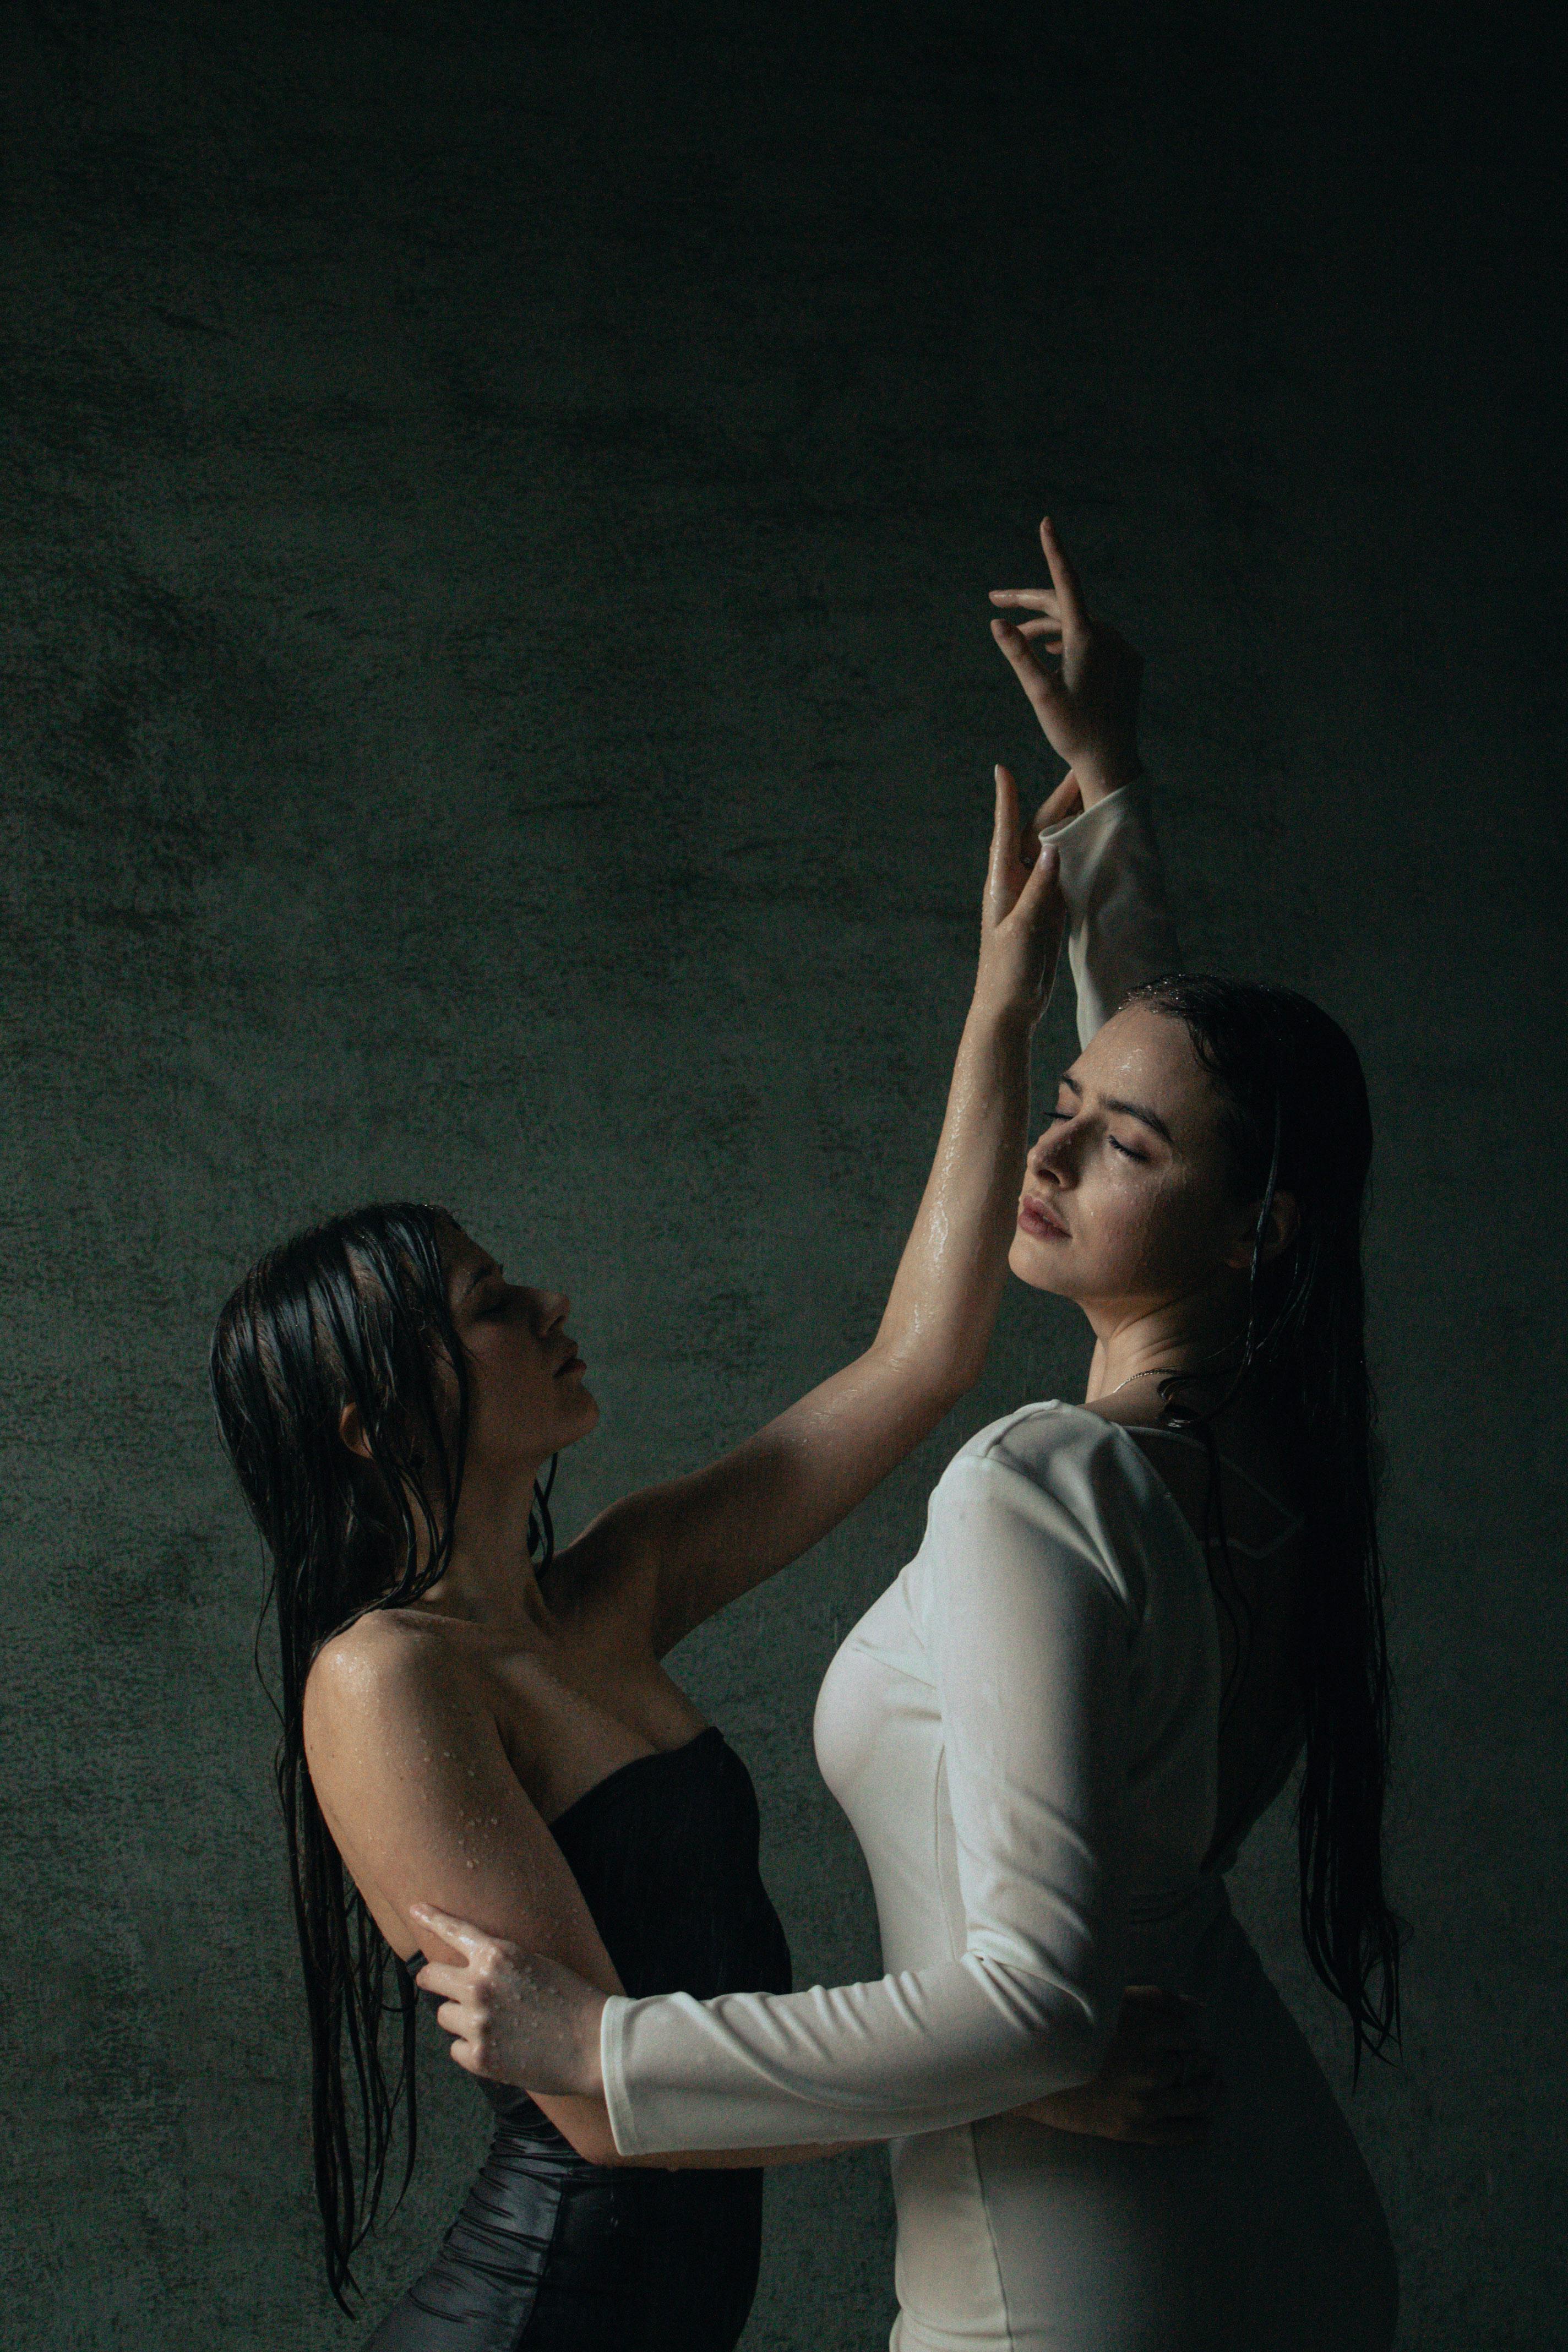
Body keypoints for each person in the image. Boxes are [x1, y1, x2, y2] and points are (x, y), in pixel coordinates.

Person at [209, 522, 1210, 2352]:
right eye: (492, 1306)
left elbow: (919, 1357)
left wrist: (1001, 1010)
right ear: (372, 1421)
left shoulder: (615, 1590)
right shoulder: (382, 1682)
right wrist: (1008, 2078)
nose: (550, 1308)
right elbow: (599, 2097)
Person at [413, 521, 1402, 2352]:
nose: (1053, 1144)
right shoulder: (1261, 1459)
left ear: (1253, 1231)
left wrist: (602, 2049)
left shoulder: (1055, 1483)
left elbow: (1036, 2012)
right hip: (1277, 2213)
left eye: (1112, 1143)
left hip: (1090, 2262)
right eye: (1068, 1107)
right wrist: (1108, 781)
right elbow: (1200, 1104)